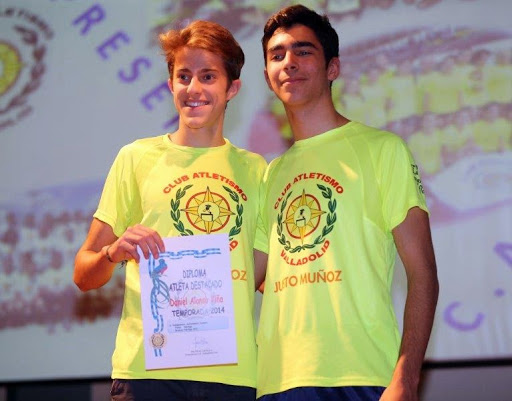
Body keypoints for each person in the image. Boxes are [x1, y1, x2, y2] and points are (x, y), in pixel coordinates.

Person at [253, 5, 439, 401]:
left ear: (332, 68)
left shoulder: (383, 149)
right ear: (268, 76)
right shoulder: (271, 174)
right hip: (278, 381)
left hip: (364, 376)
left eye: (303, 51)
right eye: (277, 55)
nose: (289, 62)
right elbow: (250, 275)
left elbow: (423, 274)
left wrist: (406, 379)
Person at [74, 20, 267, 401]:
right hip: (147, 373)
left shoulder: (256, 169)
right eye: (184, 76)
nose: (193, 88)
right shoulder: (136, 158)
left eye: (208, 76)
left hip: (233, 376)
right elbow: (83, 273)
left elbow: (262, 275)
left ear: (232, 88)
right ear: (170, 85)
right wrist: (114, 252)